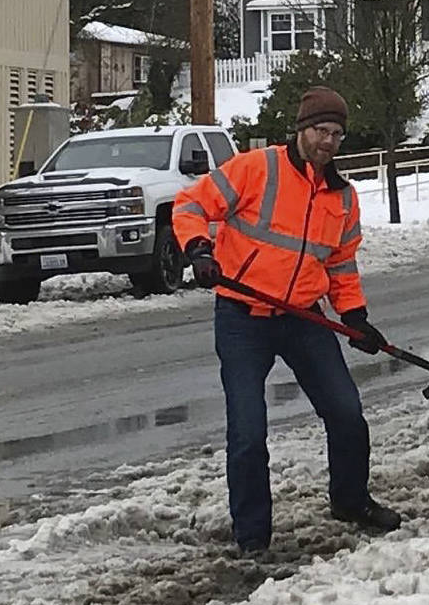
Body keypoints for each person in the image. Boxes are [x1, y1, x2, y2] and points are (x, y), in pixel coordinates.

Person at [172, 86, 402, 555]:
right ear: (302, 129)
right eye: (321, 130)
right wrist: (199, 249)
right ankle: (253, 535)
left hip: (304, 318)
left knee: (346, 412)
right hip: (243, 316)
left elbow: (340, 264)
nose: (328, 142)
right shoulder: (257, 169)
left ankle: (351, 501)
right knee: (249, 430)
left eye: (337, 134)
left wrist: (354, 315)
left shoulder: (342, 197)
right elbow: (191, 205)